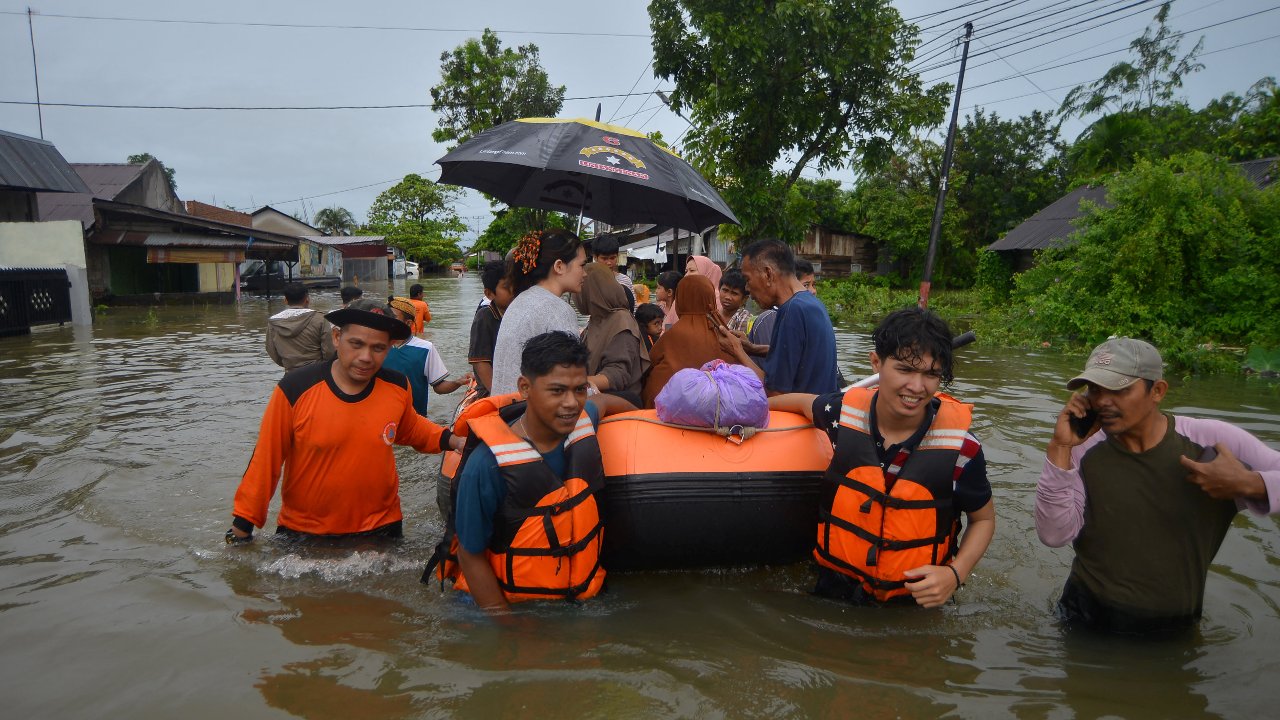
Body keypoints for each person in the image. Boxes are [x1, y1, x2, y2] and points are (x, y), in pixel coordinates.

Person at [1036, 337, 1280, 633]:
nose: (1101, 401)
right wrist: (1060, 447)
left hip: (1173, 628)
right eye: (1095, 389)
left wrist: (1249, 483)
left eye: (1119, 389)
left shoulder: (1211, 442)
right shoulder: (1082, 448)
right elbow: (1053, 534)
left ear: (1158, 391)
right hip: (1082, 618)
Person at [769, 308, 995, 607]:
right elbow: (800, 403)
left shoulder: (962, 450)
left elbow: (984, 519)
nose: (916, 387)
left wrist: (955, 574)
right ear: (876, 362)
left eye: (930, 374)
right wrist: (751, 410)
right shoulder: (841, 415)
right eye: (904, 369)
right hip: (836, 588)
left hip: (914, 602)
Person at [227, 306, 465, 543]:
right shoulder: (295, 388)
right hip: (306, 532)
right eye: (356, 344)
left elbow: (411, 428)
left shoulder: (397, 386)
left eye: (378, 348)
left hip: (382, 527)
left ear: (389, 348)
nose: (366, 357)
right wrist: (243, 524)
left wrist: (454, 440)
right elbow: (266, 458)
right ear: (337, 338)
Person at [436, 331, 635, 609]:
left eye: (579, 389)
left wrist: (643, 413)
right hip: (505, 600)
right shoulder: (486, 465)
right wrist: (505, 624)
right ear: (525, 388)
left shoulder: (581, 421)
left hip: (575, 589)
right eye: (557, 391)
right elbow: (471, 556)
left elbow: (602, 403)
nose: (570, 403)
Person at [717, 239, 839, 396]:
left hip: (800, 418)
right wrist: (752, 349)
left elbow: (775, 392)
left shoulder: (791, 311)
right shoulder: (811, 303)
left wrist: (737, 350)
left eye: (748, 280)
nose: (747, 289)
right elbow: (801, 355)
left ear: (768, 274)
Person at [489, 230, 588, 395]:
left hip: (503, 407)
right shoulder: (558, 310)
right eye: (582, 265)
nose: (585, 273)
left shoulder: (521, 300)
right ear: (559, 266)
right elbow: (570, 377)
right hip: (527, 410)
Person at [641, 274, 735, 408]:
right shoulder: (723, 331)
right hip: (719, 409)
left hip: (667, 408)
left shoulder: (673, 334)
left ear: (680, 299)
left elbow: (648, 364)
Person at [384, 297, 471, 414]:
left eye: (392, 317)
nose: (387, 321)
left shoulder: (425, 348)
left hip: (414, 421)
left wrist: (458, 382)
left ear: (408, 323)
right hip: (381, 418)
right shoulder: (377, 346)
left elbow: (438, 386)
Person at [580, 263, 650, 406]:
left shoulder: (621, 321)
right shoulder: (596, 319)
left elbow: (617, 374)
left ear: (591, 291)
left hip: (617, 405)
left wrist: (576, 384)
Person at [468, 260, 516, 397]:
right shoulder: (485, 317)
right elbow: (480, 362)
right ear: (489, 294)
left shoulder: (521, 312)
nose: (514, 291)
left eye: (516, 285)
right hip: (491, 392)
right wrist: (498, 395)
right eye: (507, 287)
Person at [266, 283, 335, 372]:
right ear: (307, 299)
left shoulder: (273, 323)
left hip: (290, 375)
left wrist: (288, 365)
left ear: (285, 300)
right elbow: (329, 351)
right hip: (316, 374)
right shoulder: (320, 319)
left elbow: (272, 351)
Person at [589, 234, 636, 306]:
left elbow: (633, 306)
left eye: (612, 258)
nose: (609, 263)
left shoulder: (625, 280)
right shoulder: (590, 281)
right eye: (604, 258)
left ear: (617, 256)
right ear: (595, 257)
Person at [719, 268, 752, 332]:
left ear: (744, 299)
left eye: (734, 293)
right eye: (725, 290)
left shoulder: (745, 319)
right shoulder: (713, 315)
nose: (727, 297)